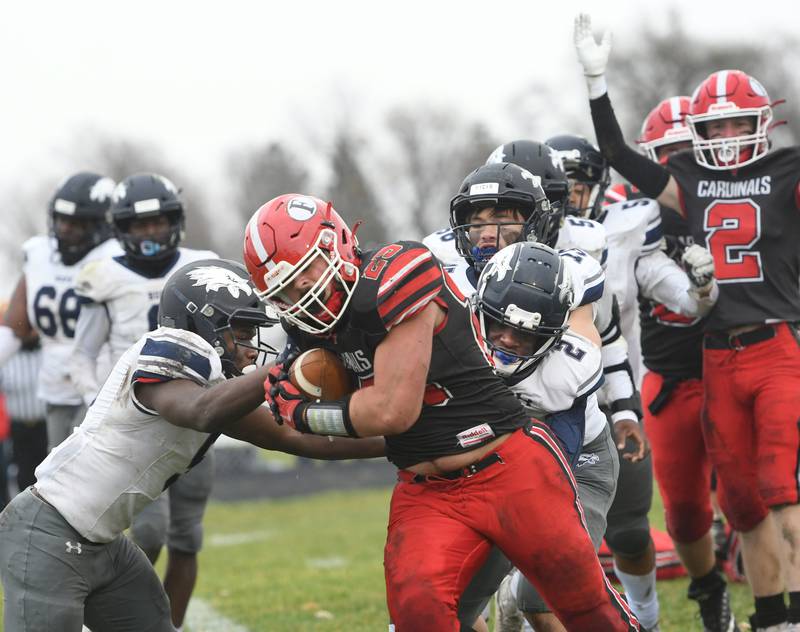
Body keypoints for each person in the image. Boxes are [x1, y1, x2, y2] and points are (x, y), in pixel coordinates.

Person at [243, 193, 639, 631]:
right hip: (427, 490)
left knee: (585, 607)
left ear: (334, 244)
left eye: (303, 275)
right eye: (283, 291)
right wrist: (286, 401)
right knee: (417, 613)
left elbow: (393, 412)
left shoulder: (397, 270)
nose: (300, 294)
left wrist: (302, 414)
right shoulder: (306, 327)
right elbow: (313, 422)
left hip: (510, 467)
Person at [0, 258, 384, 632]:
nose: (253, 349)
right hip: (47, 533)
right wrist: (284, 367)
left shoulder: (213, 390)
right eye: (243, 334)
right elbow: (199, 411)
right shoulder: (170, 353)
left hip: (103, 543)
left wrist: (400, 438)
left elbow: (292, 434)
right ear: (205, 321)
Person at [575, 13, 800, 632]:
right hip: (684, 368)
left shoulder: (767, 181)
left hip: (758, 351)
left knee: (768, 495)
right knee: (689, 514)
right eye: (671, 153)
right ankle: (724, 597)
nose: (690, 158)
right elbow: (616, 160)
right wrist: (596, 84)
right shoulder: (642, 210)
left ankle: (783, 612)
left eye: (686, 151)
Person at [69, 173, 219, 629]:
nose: (150, 232)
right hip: (135, 423)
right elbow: (81, 357)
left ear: (176, 220)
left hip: (194, 419)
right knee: (149, 530)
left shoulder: (204, 265)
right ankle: (124, 616)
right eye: (139, 224)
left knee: (187, 537)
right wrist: (103, 402)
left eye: (158, 221)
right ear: (121, 229)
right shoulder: (105, 276)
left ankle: (167, 626)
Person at [0, 172, 121, 451]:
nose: (66, 228)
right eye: (61, 219)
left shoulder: (117, 258)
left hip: (103, 385)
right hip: (56, 387)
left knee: (85, 471)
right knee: (57, 475)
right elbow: (14, 328)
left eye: (77, 223)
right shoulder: (40, 254)